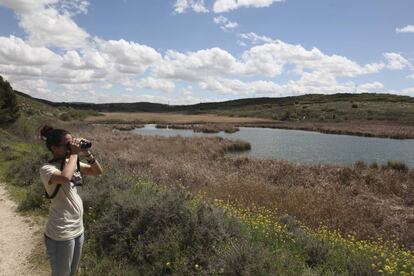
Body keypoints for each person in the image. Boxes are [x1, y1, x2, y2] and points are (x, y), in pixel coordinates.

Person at [39, 125, 103, 276]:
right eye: (67, 144)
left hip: (77, 228)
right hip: (61, 232)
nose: (71, 147)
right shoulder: (47, 169)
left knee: (72, 272)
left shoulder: (71, 163)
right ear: (54, 148)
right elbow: (64, 177)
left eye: (72, 142)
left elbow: (97, 172)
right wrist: (74, 153)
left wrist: (87, 153)